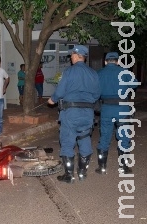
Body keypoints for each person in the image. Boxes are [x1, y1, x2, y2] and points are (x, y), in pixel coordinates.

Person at [47, 45, 100, 183]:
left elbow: (60, 92)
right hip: (88, 113)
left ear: (77, 55)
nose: (70, 57)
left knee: (67, 142)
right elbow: (97, 94)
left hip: (71, 113)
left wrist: (52, 99)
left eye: (72, 55)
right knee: (84, 139)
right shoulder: (93, 73)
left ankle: (69, 176)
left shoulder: (69, 72)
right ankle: (82, 172)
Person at [96, 52, 138, 175]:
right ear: (118, 61)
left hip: (106, 108)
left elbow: (95, 90)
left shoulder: (99, 73)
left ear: (105, 62)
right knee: (124, 137)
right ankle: (124, 167)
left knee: (104, 136)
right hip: (122, 108)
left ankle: (102, 168)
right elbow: (134, 85)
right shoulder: (124, 72)